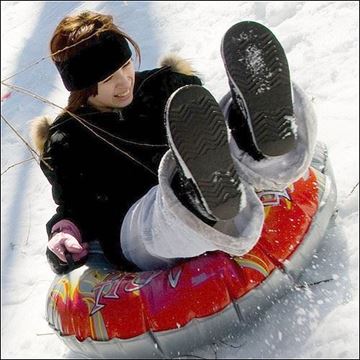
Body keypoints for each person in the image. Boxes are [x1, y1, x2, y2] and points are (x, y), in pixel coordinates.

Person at [31, 11, 317, 273]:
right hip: (133, 225)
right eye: (108, 78)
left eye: (126, 65)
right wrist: (64, 232)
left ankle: (258, 141)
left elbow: (210, 135)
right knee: (159, 214)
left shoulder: (165, 86)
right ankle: (196, 196)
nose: (124, 82)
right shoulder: (67, 139)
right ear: (84, 87)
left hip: (209, 177)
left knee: (232, 150)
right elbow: (73, 206)